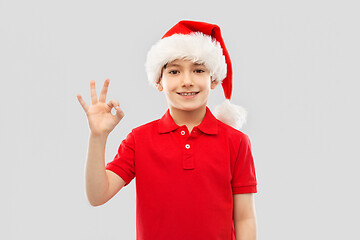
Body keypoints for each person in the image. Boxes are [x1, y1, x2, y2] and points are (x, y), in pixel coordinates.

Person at [77, 20, 258, 240]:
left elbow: (244, 218)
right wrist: (98, 137)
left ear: (213, 79)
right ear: (158, 81)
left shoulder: (237, 142)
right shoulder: (139, 140)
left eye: (198, 70)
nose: (187, 81)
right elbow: (97, 195)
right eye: (174, 71)